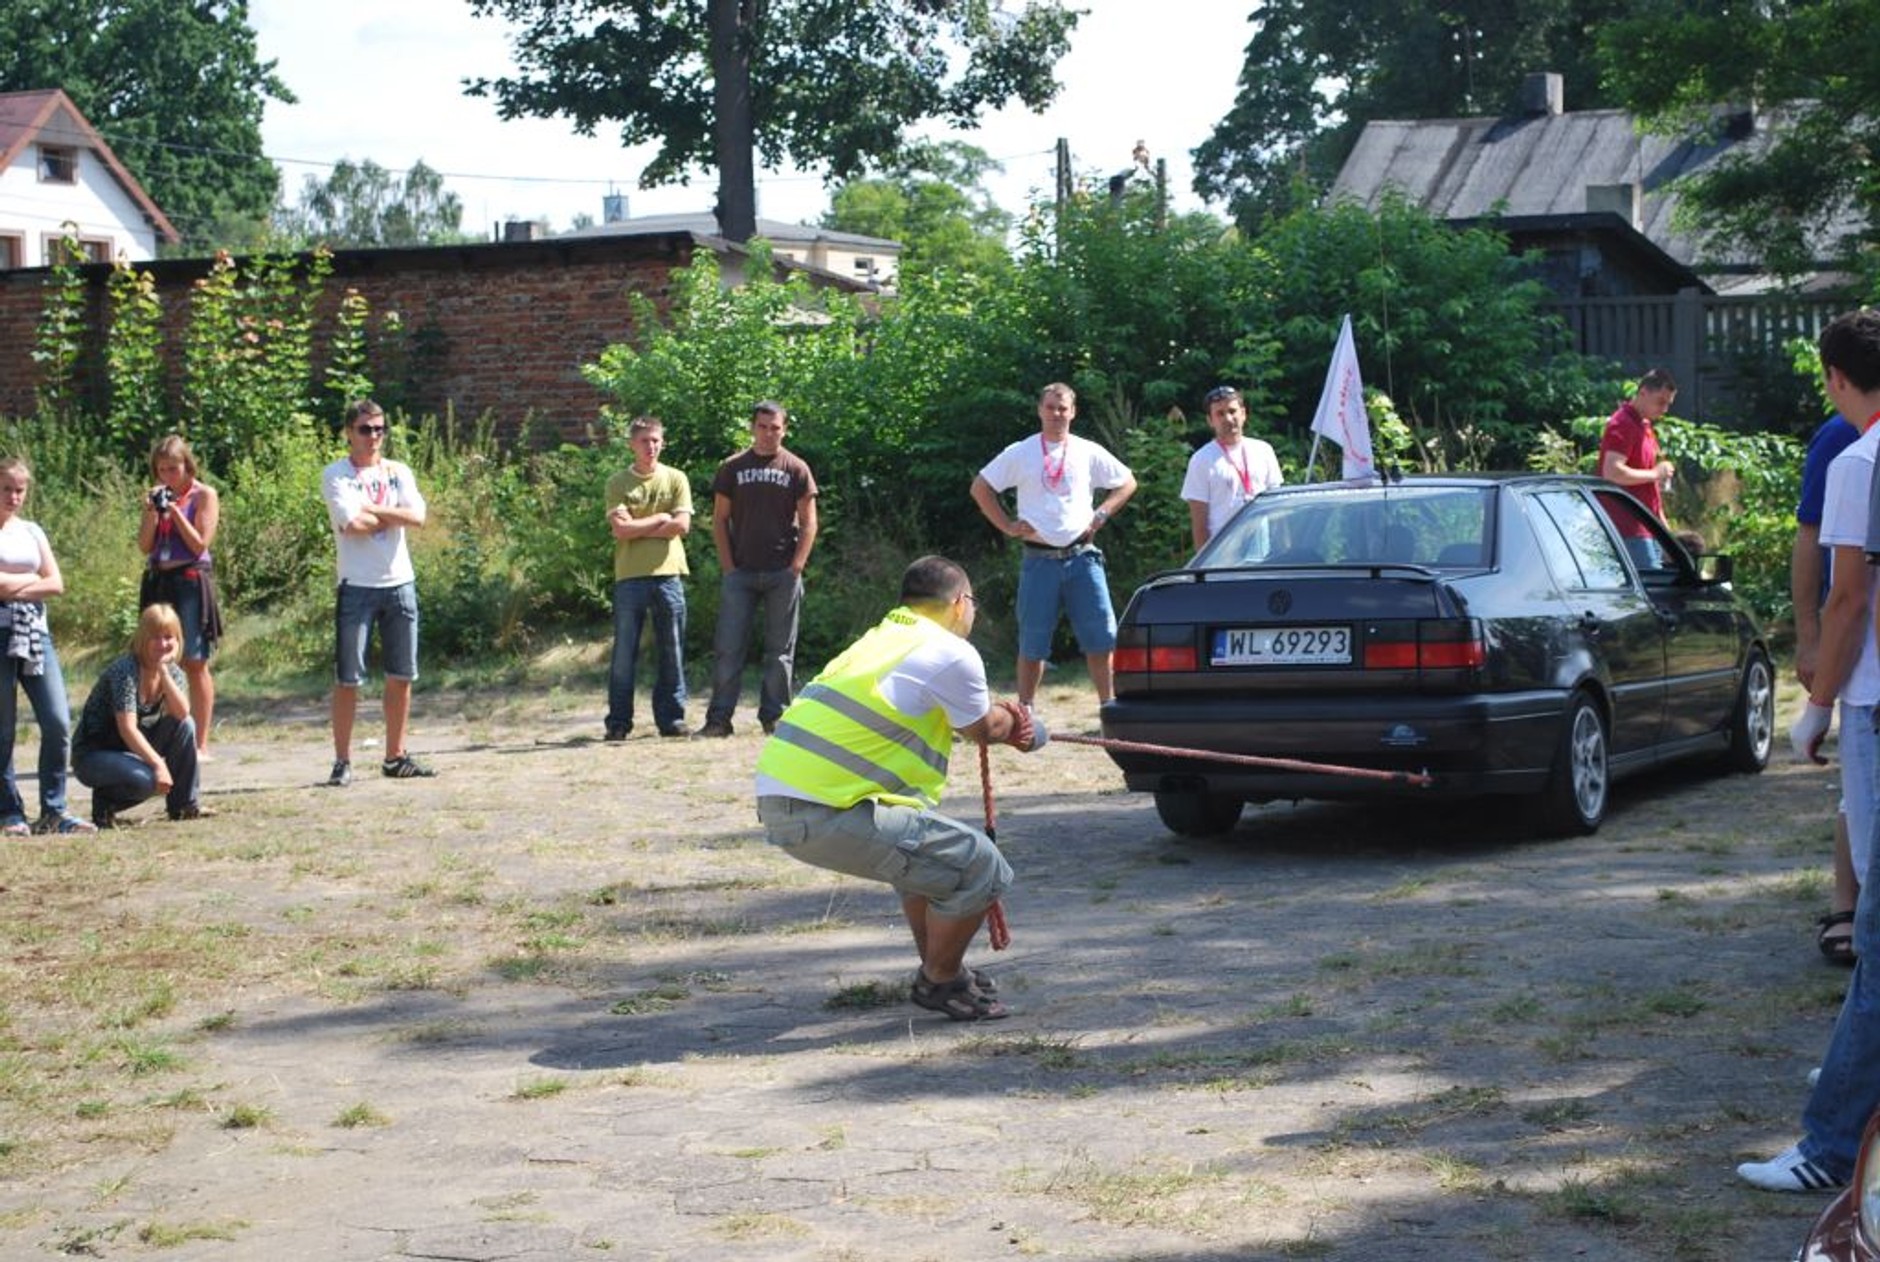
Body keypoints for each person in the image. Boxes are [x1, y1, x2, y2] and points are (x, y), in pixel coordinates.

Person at [754, 555, 1047, 1021]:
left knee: (930, 863)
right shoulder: (950, 650)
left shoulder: (880, 640)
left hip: (782, 802)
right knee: (982, 866)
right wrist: (1024, 725)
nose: (974, 613)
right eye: (973, 603)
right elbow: (984, 727)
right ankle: (941, 981)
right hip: (824, 811)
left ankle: (941, 969)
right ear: (959, 602)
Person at [1739, 308, 1880, 1193]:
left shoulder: (1859, 462)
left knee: (1878, 931)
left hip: (1875, 704)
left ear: (1834, 377)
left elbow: (1847, 600)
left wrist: (1816, 704)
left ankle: (1831, 1144)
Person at [970, 382, 1138, 709]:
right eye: (1050, 407)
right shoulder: (1021, 452)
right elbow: (981, 487)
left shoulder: (1087, 451)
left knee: (1101, 639)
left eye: (1063, 408)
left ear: (1073, 412)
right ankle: (1026, 713)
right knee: (1032, 644)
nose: (1056, 414)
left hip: (1083, 559)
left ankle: (1109, 709)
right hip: (1039, 560)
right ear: (1039, 410)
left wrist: (1102, 513)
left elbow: (1127, 482)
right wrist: (1006, 525)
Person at [320, 400, 434, 786]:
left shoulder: (399, 472)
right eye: (365, 429)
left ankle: (395, 756)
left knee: (402, 674)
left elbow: (418, 517)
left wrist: (374, 509)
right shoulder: (336, 474)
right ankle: (342, 760)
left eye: (380, 429)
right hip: (357, 586)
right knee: (348, 678)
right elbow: (352, 524)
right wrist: (390, 514)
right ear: (349, 432)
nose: (374, 436)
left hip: (399, 583)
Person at [699, 402, 819, 738]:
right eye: (762, 427)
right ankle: (719, 720)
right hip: (741, 573)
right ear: (752, 428)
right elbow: (720, 519)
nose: (768, 433)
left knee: (780, 652)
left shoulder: (796, 468)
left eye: (775, 427)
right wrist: (728, 566)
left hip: (783, 574)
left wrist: (796, 566)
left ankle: (775, 718)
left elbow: (809, 522)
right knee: (728, 648)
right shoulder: (732, 467)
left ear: (785, 429)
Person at [1792, 413, 1863, 964]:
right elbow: (1811, 537)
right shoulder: (1845, 437)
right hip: (1862, 656)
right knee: (1860, 789)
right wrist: (1810, 637)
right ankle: (1847, 906)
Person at [0, 456, 92, 835]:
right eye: (7, 489)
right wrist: (31, 581)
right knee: (3, 729)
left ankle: (54, 810)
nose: (14, 497)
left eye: (20, 490)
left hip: (35, 633)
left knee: (57, 722)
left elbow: (56, 583)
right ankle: (9, 812)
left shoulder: (32, 531)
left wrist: (13, 585)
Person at [72, 603, 207, 828]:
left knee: (185, 725)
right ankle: (105, 805)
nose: (162, 644)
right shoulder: (125, 670)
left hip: (128, 749)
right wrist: (158, 765)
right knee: (147, 780)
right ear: (142, 639)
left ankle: (184, 806)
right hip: (94, 753)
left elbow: (182, 713)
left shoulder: (172, 671)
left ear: (178, 640)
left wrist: (163, 673)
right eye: (155, 637)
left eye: (168, 637)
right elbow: (127, 728)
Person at [604, 415, 693, 740]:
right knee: (624, 653)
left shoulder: (676, 478)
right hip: (630, 577)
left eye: (656, 440)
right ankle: (618, 722)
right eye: (644, 441)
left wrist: (639, 526)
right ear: (632, 444)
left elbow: (682, 525)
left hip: (669, 575)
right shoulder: (618, 483)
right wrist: (659, 519)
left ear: (662, 443)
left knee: (672, 650)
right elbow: (621, 531)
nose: (651, 446)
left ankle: (672, 719)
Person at [137, 433, 222, 756]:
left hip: (190, 579)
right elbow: (144, 545)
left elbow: (200, 543)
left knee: (194, 661)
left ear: (187, 466)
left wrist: (174, 511)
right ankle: (161, 739)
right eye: (161, 470)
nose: (167, 476)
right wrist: (151, 513)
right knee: (154, 658)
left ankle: (200, 743)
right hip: (159, 579)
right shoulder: (157, 496)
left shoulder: (203, 495)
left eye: (173, 469)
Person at [1181, 384, 1283, 551]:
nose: (1228, 418)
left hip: (1263, 550)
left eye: (1232, 411)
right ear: (1210, 421)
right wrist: (1205, 563)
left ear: (1243, 413)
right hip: (1223, 555)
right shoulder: (1201, 460)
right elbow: (1199, 524)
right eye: (1220, 414)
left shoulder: (1263, 451)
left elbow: (1277, 509)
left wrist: (1283, 551)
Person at [1598, 367, 1679, 570]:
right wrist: (1655, 473)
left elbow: (1648, 487)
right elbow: (1612, 472)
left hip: (1647, 527)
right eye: (1660, 402)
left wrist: (1666, 534)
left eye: (1668, 404)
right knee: (1651, 588)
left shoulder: (1644, 425)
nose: (1664, 409)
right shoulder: (1622, 423)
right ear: (1643, 392)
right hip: (1627, 528)